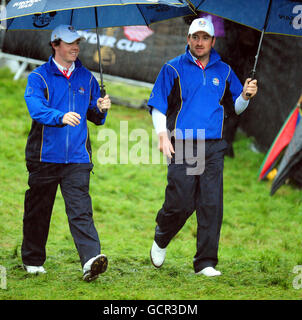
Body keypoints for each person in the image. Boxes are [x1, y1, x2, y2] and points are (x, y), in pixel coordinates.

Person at [148, 18, 257, 276]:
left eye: (204, 38)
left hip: (214, 146)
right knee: (181, 202)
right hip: (184, 143)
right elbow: (158, 104)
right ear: (188, 39)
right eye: (195, 37)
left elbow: (237, 107)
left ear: (212, 41)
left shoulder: (225, 71)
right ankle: (162, 236)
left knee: (211, 204)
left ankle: (205, 262)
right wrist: (163, 135)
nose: (199, 42)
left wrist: (245, 96)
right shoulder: (172, 68)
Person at [22, 24, 111, 282]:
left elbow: (94, 116)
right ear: (55, 44)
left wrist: (101, 108)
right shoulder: (38, 77)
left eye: (77, 43)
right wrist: (60, 116)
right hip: (44, 157)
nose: (75, 47)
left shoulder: (88, 77)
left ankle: (91, 260)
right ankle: (33, 259)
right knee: (38, 210)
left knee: (81, 210)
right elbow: (36, 109)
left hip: (78, 159)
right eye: (70, 43)